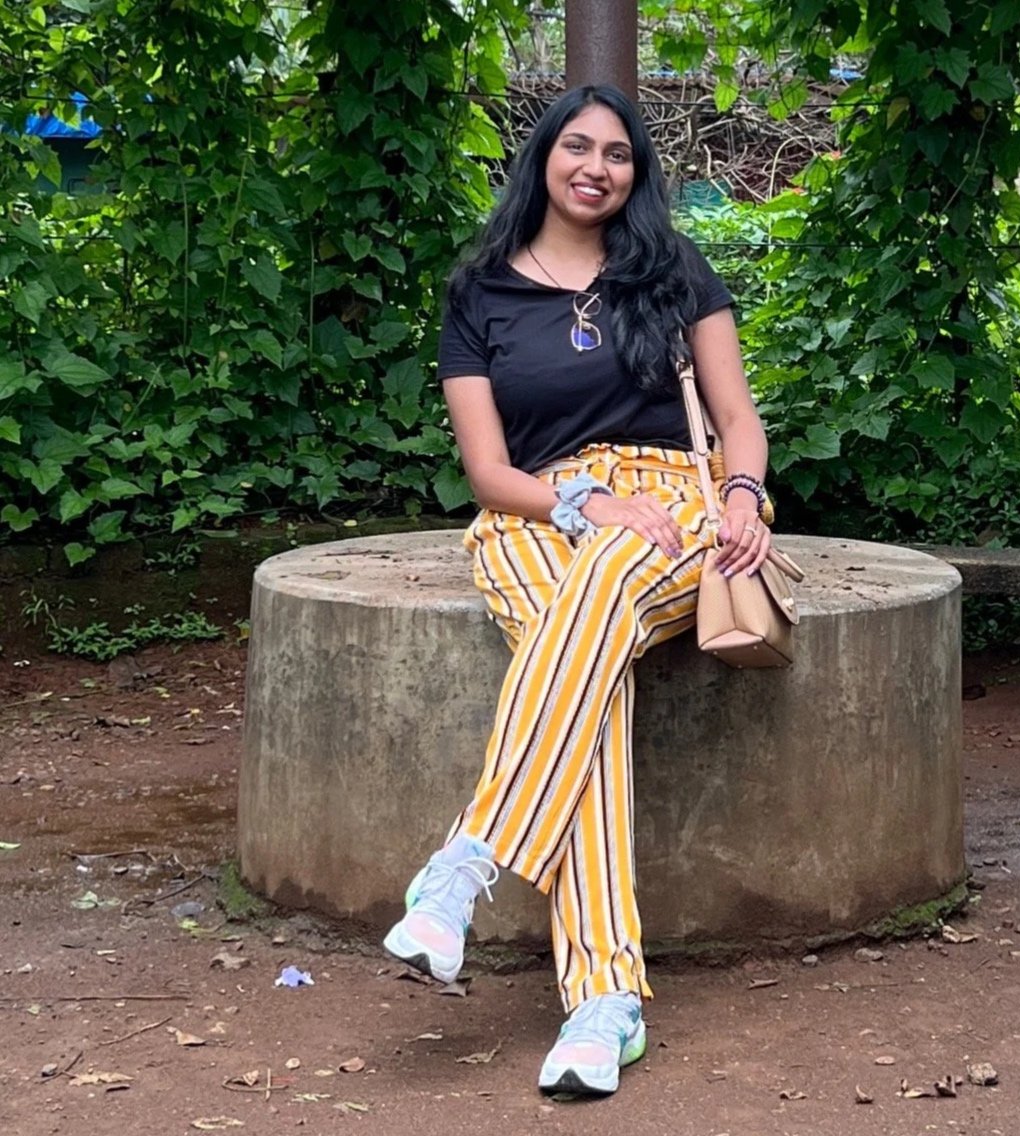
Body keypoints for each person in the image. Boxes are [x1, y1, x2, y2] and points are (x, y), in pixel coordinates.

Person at [382, 83, 772, 1097]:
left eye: (617, 154)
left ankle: (466, 864)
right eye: (577, 146)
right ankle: (604, 1001)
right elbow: (487, 472)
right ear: (542, 156)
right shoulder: (478, 294)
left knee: (599, 591)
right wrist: (578, 502)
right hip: (531, 515)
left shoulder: (670, 268)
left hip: (671, 508)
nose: (595, 166)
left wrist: (739, 493)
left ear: (634, 174)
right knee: (590, 688)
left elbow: (736, 416)